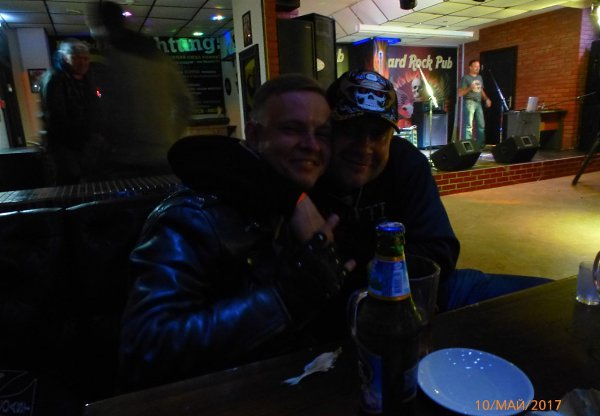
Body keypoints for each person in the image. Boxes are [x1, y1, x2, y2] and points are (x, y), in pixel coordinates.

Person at [119, 74, 351, 391]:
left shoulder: (314, 199)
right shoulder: (192, 217)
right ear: (253, 135)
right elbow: (146, 349)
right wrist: (283, 299)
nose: (311, 145)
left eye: (322, 134)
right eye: (292, 129)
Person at [310, 69, 550, 312]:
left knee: (551, 299)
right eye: (352, 130)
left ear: (391, 136)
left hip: (425, 292)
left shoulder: (407, 161)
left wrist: (359, 266)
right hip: (341, 311)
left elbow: (442, 252)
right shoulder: (306, 171)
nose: (365, 147)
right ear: (328, 130)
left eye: (378, 134)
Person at [85, 1, 192, 179]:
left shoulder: (108, 61)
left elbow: (104, 113)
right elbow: (185, 102)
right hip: (161, 155)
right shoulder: (159, 57)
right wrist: (169, 136)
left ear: (100, 25)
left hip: (123, 160)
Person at [39, 39, 101, 185]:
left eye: (85, 58)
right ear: (64, 57)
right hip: (65, 147)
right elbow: (56, 117)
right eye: (76, 58)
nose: (82, 62)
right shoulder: (55, 78)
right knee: (69, 185)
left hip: (82, 145)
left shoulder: (86, 78)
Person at [458, 59, 492, 150]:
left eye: (478, 66)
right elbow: (460, 93)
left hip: (478, 102)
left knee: (481, 125)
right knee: (468, 125)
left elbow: (481, 90)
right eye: (475, 66)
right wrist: (470, 88)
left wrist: (486, 99)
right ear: (470, 67)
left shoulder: (479, 77)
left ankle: (480, 146)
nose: (478, 68)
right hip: (469, 102)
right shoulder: (465, 78)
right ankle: (467, 147)